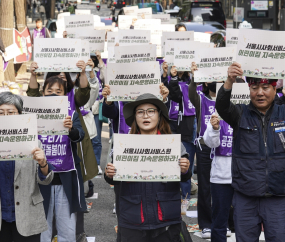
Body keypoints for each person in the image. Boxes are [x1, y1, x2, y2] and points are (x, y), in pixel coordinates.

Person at [104, 93, 191, 242]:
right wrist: (109, 174)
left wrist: (185, 169)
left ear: (159, 115)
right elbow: (113, 179)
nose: (146, 116)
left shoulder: (173, 144)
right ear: (135, 118)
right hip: (133, 220)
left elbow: (185, 175)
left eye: (151, 111)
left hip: (166, 219)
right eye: (140, 112)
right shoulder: (123, 146)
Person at [216, 62, 285, 241]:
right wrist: (229, 81)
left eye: (265, 87)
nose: (259, 92)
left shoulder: (283, 113)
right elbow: (222, 106)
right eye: (254, 87)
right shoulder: (239, 113)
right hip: (245, 196)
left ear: (275, 88)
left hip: (278, 196)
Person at [37, 76, 87, 242]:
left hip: (65, 179)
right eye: (49, 91)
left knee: (67, 227)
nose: (53, 95)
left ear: (65, 95)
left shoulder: (71, 114)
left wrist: (71, 129)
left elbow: (80, 135)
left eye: (58, 92)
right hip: (40, 179)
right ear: (42, 93)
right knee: (42, 227)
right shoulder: (33, 115)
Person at [0, 92, 54, 242]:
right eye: (1, 113)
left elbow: (45, 180)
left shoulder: (32, 142)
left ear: (20, 114)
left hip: (27, 215)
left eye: (10, 112)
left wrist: (43, 163)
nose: (5, 117)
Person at [188, 62, 217, 239]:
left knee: (225, 187)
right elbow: (192, 92)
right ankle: (206, 224)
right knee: (205, 187)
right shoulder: (201, 99)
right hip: (205, 148)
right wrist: (194, 77)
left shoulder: (231, 100)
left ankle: (226, 221)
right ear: (206, 83)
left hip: (225, 148)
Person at [164, 64, 196, 202]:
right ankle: (181, 195)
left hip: (197, 126)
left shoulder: (195, 83)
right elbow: (174, 93)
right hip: (180, 125)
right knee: (180, 161)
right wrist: (173, 76)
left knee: (189, 163)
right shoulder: (176, 82)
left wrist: (196, 74)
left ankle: (187, 195)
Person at [203, 114, 233, 241]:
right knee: (219, 221)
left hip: (246, 176)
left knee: (246, 222)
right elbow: (210, 143)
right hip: (221, 176)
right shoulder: (217, 115)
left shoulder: (249, 114)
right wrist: (215, 129)